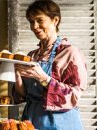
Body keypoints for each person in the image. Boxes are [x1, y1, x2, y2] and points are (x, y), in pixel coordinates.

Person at [12, 0, 87, 130]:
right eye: (31, 21)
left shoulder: (70, 53)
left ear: (55, 20)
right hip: (31, 121)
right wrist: (17, 74)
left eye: (39, 20)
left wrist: (44, 79)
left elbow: (74, 96)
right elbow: (23, 95)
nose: (34, 26)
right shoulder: (31, 56)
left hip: (61, 123)